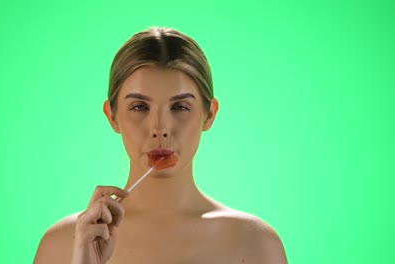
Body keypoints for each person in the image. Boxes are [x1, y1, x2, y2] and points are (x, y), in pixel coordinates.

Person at [33, 26, 287, 264]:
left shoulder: (255, 244)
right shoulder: (62, 246)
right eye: (139, 107)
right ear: (112, 116)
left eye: (179, 107)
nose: (160, 129)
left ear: (209, 114)